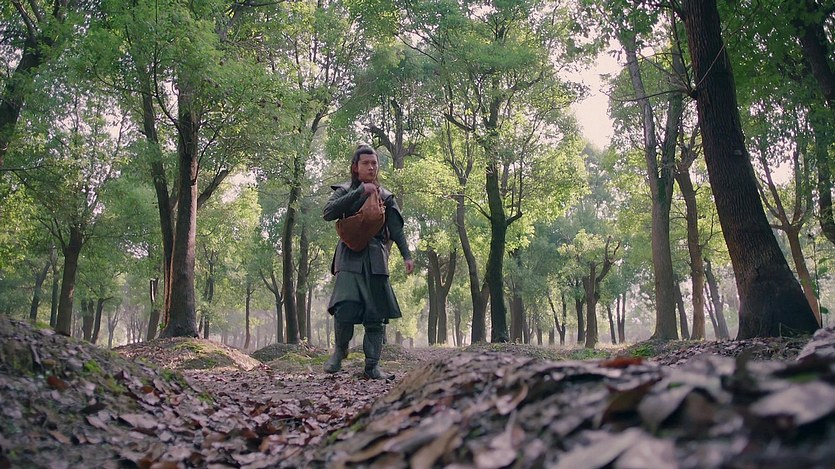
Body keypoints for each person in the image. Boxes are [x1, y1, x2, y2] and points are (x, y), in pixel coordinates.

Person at [322, 144, 415, 379]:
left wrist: (406, 255)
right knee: (344, 307)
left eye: (374, 163)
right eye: (366, 163)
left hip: (376, 259)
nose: (371, 167)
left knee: (375, 315)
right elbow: (328, 213)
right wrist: (360, 192)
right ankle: (339, 352)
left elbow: (396, 229)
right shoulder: (344, 191)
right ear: (355, 167)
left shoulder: (386, 197)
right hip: (349, 257)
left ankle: (372, 366)